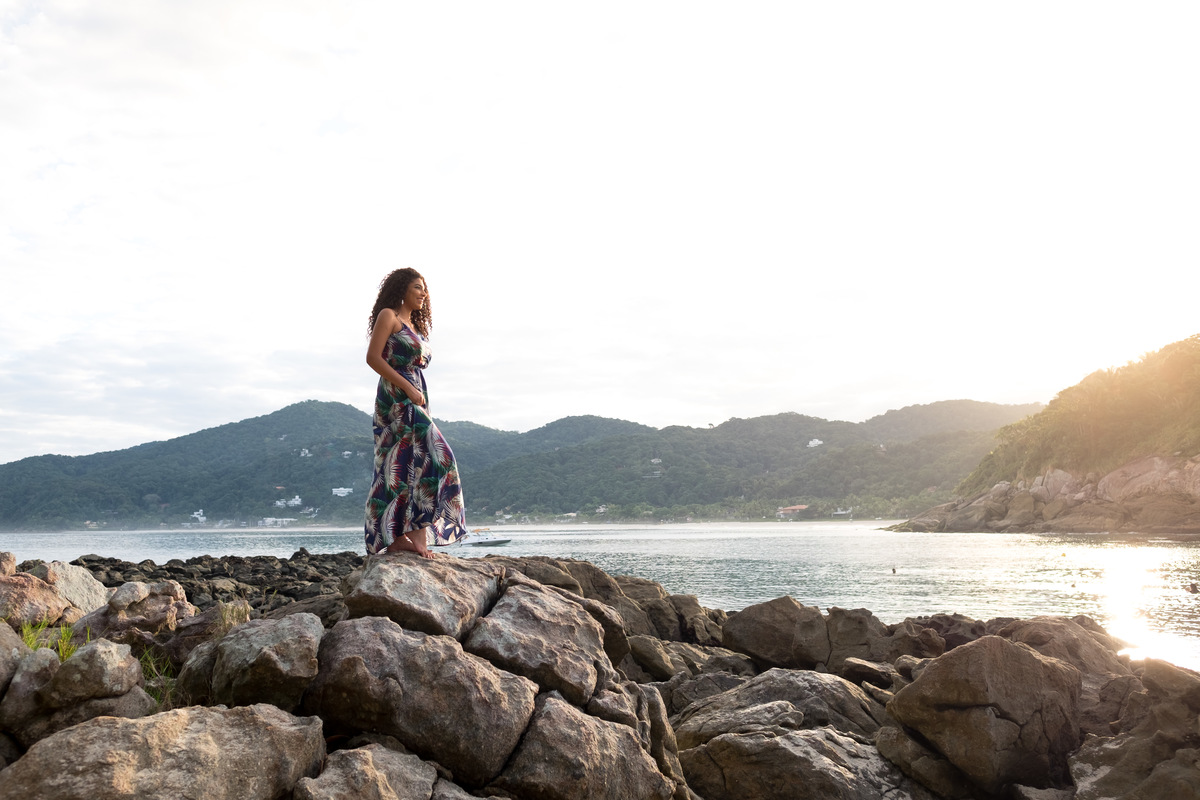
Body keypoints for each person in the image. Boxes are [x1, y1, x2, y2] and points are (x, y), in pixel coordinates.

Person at [363, 268, 468, 558]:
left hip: (417, 398)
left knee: (419, 463)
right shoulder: (389, 316)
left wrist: (415, 392)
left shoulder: (415, 326)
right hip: (396, 400)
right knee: (420, 460)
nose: (424, 293)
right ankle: (394, 537)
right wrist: (407, 389)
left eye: (425, 289)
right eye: (418, 288)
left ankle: (415, 539)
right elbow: (373, 358)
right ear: (402, 290)